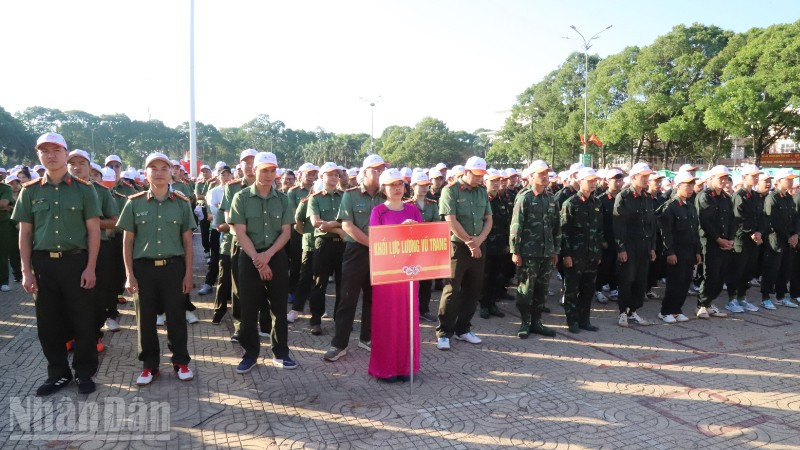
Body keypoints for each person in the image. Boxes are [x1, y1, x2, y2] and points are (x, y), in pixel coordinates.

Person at [13, 132, 102, 395]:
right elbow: (25, 234)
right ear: (38, 155)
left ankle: (84, 372)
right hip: (44, 266)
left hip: (76, 262)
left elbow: (94, 231)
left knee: (83, 321)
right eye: (44, 151)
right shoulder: (30, 191)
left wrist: (91, 267)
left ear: (65, 153)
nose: (50, 156)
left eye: (56, 150)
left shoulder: (84, 189)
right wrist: (26, 270)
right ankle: (59, 373)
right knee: (48, 324)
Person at [117, 152, 195, 386]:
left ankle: (181, 361)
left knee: (176, 317)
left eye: (164, 168)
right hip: (144, 269)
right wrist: (129, 275)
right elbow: (127, 241)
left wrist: (188, 274)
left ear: (172, 172)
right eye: (154, 168)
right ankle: (149, 366)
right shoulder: (134, 202)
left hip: (174, 268)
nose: (159, 173)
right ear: (146, 173)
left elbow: (188, 241)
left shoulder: (181, 203)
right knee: (145, 319)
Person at [228, 151, 297, 373]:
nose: (269, 174)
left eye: (272, 170)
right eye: (264, 170)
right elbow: (240, 232)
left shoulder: (283, 199)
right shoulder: (241, 198)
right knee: (249, 308)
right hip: (249, 257)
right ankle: (250, 354)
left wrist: (267, 256)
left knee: (279, 307)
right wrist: (259, 260)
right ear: (254, 170)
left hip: (276, 256)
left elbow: (286, 233)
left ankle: (281, 352)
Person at [323, 155, 387, 361]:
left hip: (381, 252)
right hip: (356, 251)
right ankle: (339, 344)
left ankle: (367, 338)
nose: (379, 173)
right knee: (348, 298)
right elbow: (347, 226)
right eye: (375, 169)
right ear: (365, 172)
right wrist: (372, 244)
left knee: (373, 297)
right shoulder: (350, 195)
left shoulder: (387, 194)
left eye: (382, 169)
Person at [368, 168, 423, 382]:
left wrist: (414, 231)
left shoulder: (413, 210)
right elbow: (377, 242)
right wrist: (400, 231)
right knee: (387, 319)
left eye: (400, 184)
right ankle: (386, 368)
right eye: (392, 185)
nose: (397, 188)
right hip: (387, 274)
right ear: (384, 188)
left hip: (409, 272)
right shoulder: (378, 212)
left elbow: (424, 240)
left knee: (408, 318)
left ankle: (406, 366)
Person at [435, 156, 492, 350]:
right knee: (452, 289)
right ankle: (444, 332)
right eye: (477, 174)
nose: (480, 178)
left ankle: (463, 328)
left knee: (473, 289)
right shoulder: (450, 190)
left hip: (478, 245)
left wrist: (479, 240)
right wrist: (469, 242)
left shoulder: (482, 191)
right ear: (466, 172)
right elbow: (450, 220)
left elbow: (489, 219)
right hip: (458, 247)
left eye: (482, 175)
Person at [67, 151, 120, 343]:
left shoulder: (101, 191)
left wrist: (91, 222)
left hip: (99, 248)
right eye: (72, 163)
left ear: (90, 167)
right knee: (70, 293)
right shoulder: (59, 190)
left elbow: (114, 221)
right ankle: (71, 334)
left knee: (96, 293)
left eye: (82, 163)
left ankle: (94, 334)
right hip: (70, 250)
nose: (76, 167)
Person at [510, 160, 560, 338]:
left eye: (547, 173)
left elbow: (556, 227)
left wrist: (555, 250)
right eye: (541, 174)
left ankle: (537, 322)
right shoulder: (525, 198)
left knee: (541, 288)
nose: (545, 176)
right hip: (528, 253)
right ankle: (525, 322)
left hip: (546, 253)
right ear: (531, 176)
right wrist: (515, 251)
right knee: (526, 289)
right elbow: (516, 226)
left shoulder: (550, 198)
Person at [560, 167, 603, 333]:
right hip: (575, 255)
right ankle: (572, 321)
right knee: (572, 289)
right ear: (580, 181)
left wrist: (598, 252)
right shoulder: (570, 203)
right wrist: (566, 255)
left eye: (594, 181)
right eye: (589, 181)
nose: (593, 184)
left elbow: (599, 231)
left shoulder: (596, 203)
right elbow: (564, 232)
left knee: (588, 289)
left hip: (591, 254)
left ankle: (584, 320)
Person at [614, 162, 657, 327]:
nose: (646, 179)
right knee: (627, 280)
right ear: (633, 177)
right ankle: (622, 312)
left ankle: (633, 311)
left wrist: (652, 247)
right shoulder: (624, 197)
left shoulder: (647, 197)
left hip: (644, 246)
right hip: (629, 245)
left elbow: (651, 225)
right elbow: (619, 224)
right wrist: (621, 248)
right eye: (643, 176)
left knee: (640, 280)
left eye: (648, 176)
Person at [306, 162, 346, 335]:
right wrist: (337, 228)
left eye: (336, 175)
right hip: (323, 244)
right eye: (330, 174)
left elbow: (349, 220)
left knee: (342, 284)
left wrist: (329, 224)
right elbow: (316, 222)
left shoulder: (345, 196)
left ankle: (340, 319)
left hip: (343, 244)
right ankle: (316, 320)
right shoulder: (315, 198)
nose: (334, 177)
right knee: (319, 283)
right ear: (322, 177)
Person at [657, 172, 701, 323]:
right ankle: (665, 311)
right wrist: (670, 252)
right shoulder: (670, 206)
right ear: (678, 186)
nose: (690, 189)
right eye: (687, 185)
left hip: (689, 251)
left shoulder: (690, 206)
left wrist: (697, 251)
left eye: (692, 185)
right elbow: (666, 232)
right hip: (676, 251)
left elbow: (695, 231)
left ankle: (677, 310)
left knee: (685, 282)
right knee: (674, 282)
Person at [695, 165, 734, 319]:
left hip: (724, 243)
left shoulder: (726, 198)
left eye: (726, 178)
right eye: (720, 178)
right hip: (709, 242)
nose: (724, 181)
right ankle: (702, 304)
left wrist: (730, 239)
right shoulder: (704, 196)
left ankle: (709, 303)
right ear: (711, 179)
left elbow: (732, 220)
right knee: (710, 274)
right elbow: (705, 222)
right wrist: (718, 239)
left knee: (720, 275)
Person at [725, 164, 764, 313]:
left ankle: (742, 297)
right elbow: (738, 218)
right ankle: (732, 299)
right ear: (744, 177)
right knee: (737, 270)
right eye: (753, 176)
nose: (756, 178)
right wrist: (752, 232)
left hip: (753, 240)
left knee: (748, 270)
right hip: (741, 239)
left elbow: (762, 217)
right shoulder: (739, 195)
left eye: (757, 176)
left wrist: (759, 232)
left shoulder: (755, 196)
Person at [760, 168, 800, 309]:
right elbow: (773, 220)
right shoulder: (772, 198)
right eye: (788, 179)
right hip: (775, 239)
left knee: (786, 268)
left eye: (792, 179)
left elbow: (795, 218)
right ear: (778, 181)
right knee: (772, 268)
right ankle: (765, 297)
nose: (791, 182)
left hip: (789, 239)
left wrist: (796, 234)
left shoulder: (789, 198)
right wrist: (789, 236)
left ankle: (781, 296)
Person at [406, 171, 440, 322]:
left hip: (427, 247)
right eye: (421, 185)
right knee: (411, 280)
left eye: (427, 185)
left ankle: (424, 309)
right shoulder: (407, 205)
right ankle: (410, 310)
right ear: (413, 186)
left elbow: (437, 223)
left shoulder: (432, 204)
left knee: (427, 281)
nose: (425, 188)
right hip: (412, 247)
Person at [287, 180, 322, 325]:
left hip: (326, 245)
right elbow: (298, 225)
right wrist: (308, 235)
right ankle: (296, 309)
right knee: (305, 277)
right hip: (310, 245)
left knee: (320, 280)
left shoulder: (336, 200)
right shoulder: (305, 203)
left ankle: (319, 310)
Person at [479, 168, 510, 319]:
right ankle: (483, 305)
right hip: (485, 244)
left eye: (498, 181)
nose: (496, 184)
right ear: (485, 182)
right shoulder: (481, 199)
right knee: (484, 277)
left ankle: (492, 303)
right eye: (493, 181)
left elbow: (507, 222)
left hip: (500, 245)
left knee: (497, 276)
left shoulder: (502, 199)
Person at [595, 168, 624, 303]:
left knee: (616, 266)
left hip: (618, 239)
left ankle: (614, 288)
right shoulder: (600, 200)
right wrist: (601, 240)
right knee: (604, 266)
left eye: (620, 180)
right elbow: (597, 222)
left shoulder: (623, 198)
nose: (618, 183)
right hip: (605, 239)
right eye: (615, 180)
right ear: (607, 181)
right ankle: (598, 289)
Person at [0, 173, 14, 292]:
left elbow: (4, 202)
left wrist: (4, 206)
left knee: (2, 253)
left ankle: (3, 281)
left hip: (2, 224)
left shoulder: (5, 188)